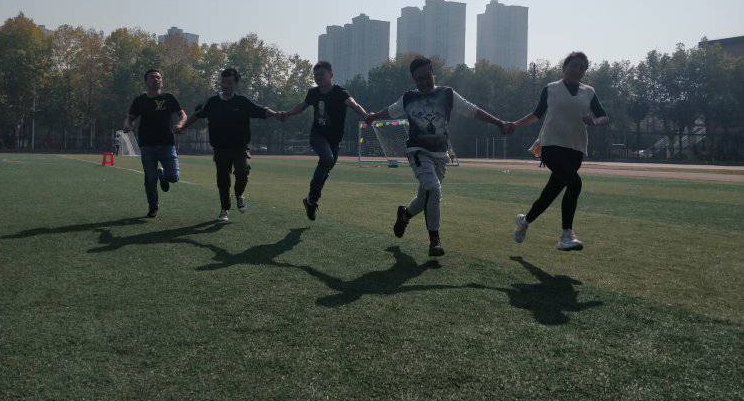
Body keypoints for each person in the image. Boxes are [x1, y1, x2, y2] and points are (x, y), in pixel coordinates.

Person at [365, 56, 511, 256]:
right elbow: (391, 111)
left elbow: (472, 110)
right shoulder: (409, 98)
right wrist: (374, 116)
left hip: (440, 154)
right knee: (434, 189)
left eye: (427, 76)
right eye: (419, 79)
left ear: (433, 73)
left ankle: (404, 215)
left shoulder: (447, 94)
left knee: (424, 197)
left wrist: (499, 122)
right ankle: (435, 240)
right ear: (413, 80)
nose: (424, 82)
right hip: (417, 151)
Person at [509, 51, 608, 250]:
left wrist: (595, 122)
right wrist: (515, 124)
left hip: (576, 148)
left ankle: (524, 221)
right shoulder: (551, 89)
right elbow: (536, 115)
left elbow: (603, 116)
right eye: (574, 65)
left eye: (582, 67)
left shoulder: (589, 92)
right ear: (565, 67)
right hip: (551, 146)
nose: (578, 70)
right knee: (575, 183)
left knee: (550, 193)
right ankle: (566, 236)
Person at [178, 68, 282, 222]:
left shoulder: (242, 101)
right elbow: (197, 115)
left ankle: (239, 195)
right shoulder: (213, 102)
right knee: (223, 180)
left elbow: (261, 110)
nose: (226, 85)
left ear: (235, 83)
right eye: (223, 82)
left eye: (229, 82)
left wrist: (276, 114)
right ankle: (224, 209)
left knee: (242, 172)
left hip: (240, 147)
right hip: (220, 148)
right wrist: (182, 127)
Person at [281, 61, 368, 220]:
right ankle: (312, 199)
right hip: (317, 136)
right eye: (316, 75)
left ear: (331, 74)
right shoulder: (313, 93)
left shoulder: (340, 92)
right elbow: (302, 106)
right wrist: (288, 113)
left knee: (325, 169)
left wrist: (366, 116)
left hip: (335, 140)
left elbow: (353, 104)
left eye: (321, 74)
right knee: (327, 159)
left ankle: (311, 201)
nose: (318, 78)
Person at [124, 69, 186, 218]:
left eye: (158, 77)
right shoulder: (140, 100)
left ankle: (161, 174)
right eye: (152, 77)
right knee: (150, 179)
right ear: (146, 82)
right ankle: (153, 207)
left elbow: (182, 114)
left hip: (167, 143)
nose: (156, 79)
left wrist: (180, 124)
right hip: (147, 144)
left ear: (162, 81)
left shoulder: (169, 98)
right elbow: (130, 117)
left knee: (174, 177)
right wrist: (127, 124)